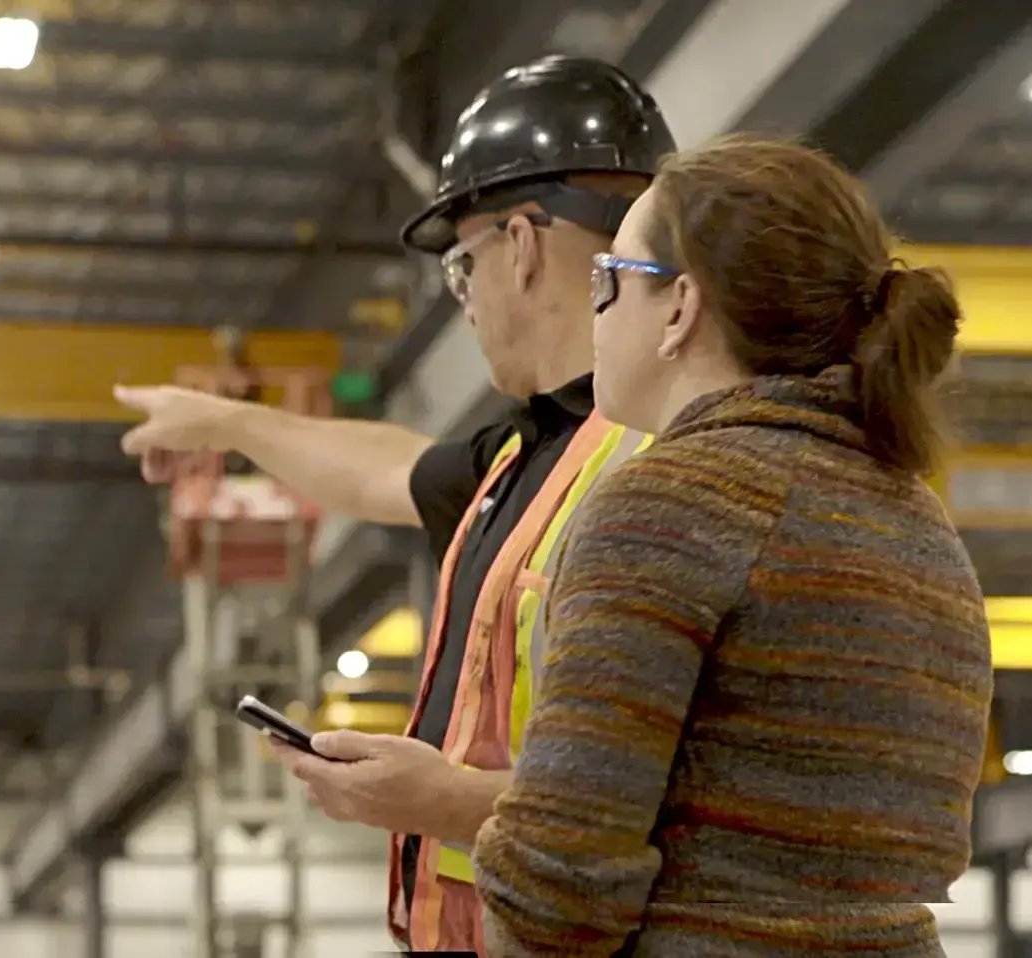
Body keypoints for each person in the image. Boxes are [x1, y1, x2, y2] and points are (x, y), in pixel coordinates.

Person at [114, 56, 676, 953]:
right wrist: (225, 421)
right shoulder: (527, 459)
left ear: (522, 248)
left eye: (462, 266)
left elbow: (686, 798)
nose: (465, 302)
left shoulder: (662, 469)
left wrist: (442, 801)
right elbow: (386, 469)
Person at [471, 133, 994, 955]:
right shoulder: (915, 520)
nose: (595, 311)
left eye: (609, 278)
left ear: (679, 307)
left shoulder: (668, 502)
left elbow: (561, 880)